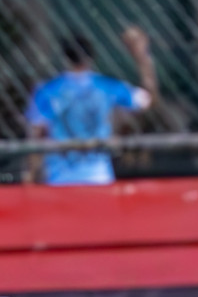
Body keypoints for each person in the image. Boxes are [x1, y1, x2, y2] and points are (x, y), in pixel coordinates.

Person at [25, 27, 157, 186]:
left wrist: (30, 174)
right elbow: (147, 99)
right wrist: (142, 57)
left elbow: (37, 134)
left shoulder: (47, 91)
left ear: (65, 58)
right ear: (91, 58)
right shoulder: (105, 87)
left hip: (60, 180)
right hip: (98, 178)